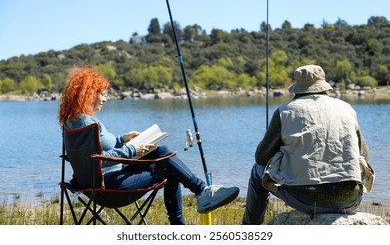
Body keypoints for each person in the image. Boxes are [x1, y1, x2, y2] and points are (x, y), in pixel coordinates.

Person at [58, 66, 239, 225]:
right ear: (89, 93)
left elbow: (95, 152)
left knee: (163, 151)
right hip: (109, 188)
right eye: (102, 94)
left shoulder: (72, 123)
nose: (105, 99)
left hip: (91, 185)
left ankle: (201, 194)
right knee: (169, 164)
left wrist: (123, 139)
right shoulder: (90, 124)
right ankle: (194, 205)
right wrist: (133, 149)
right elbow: (97, 160)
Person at [242, 64, 375, 225]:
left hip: (306, 199)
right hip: (349, 199)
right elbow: (365, 155)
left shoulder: (285, 111)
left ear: (297, 89)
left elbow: (261, 158)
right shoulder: (347, 109)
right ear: (324, 87)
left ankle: (250, 230)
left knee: (257, 171)